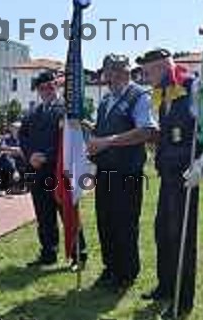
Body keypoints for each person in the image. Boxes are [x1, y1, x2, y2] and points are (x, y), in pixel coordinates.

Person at [137, 48, 202, 320]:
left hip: (186, 174)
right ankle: (165, 287)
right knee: (163, 232)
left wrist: (200, 161)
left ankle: (182, 299)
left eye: (148, 70)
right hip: (167, 173)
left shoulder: (190, 86)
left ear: (163, 66)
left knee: (182, 237)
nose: (144, 75)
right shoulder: (163, 92)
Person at [87, 54, 157, 293]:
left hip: (127, 172)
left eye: (118, 71)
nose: (113, 76)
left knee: (124, 223)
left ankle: (126, 273)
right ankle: (110, 269)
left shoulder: (140, 96)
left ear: (127, 73)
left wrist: (107, 141)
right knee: (105, 221)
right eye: (109, 71)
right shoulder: (106, 99)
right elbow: (101, 131)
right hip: (105, 170)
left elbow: (146, 131)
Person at [19, 70, 88, 271]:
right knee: (43, 215)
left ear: (56, 87)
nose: (46, 91)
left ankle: (78, 254)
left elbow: (67, 141)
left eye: (50, 87)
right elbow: (23, 137)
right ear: (38, 91)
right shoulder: (33, 113)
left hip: (58, 171)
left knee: (67, 213)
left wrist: (46, 156)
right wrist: (31, 154)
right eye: (42, 88)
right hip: (36, 171)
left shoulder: (66, 111)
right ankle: (48, 252)